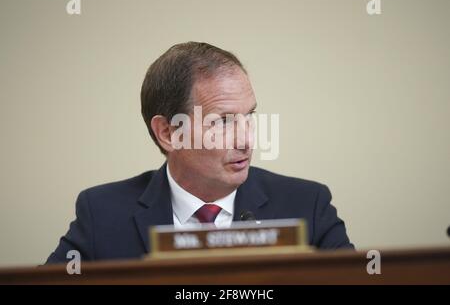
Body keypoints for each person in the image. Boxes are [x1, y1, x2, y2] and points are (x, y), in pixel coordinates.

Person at [46, 42, 353, 264]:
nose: (247, 139)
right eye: (223, 121)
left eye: (250, 117)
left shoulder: (306, 205)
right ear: (168, 133)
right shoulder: (102, 213)